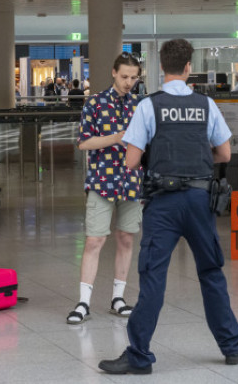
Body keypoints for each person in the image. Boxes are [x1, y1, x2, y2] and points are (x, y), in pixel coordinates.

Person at [99, 39, 238, 375]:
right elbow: (224, 154)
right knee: (211, 273)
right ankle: (232, 347)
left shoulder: (148, 106)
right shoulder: (206, 104)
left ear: (161, 68)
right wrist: (195, 159)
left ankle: (139, 356)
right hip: (199, 199)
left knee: (153, 277)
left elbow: (132, 161)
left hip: (163, 203)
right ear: (189, 68)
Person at [66, 53, 142, 326]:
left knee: (126, 238)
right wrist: (117, 138)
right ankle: (83, 301)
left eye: (134, 78)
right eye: (124, 77)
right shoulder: (96, 102)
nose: (128, 82)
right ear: (113, 73)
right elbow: (84, 143)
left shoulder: (139, 105)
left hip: (131, 180)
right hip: (102, 180)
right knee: (94, 239)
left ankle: (118, 298)